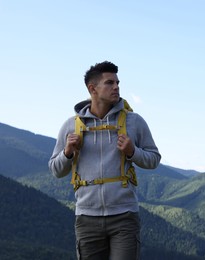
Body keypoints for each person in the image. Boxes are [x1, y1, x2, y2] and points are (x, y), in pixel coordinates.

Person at [48, 61, 161, 260]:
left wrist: (132, 151)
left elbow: (153, 159)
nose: (116, 87)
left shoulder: (134, 121)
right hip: (86, 218)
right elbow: (56, 170)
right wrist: (67, 152)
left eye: (117, 82)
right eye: (110, 83)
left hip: (124, 216)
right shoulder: (71, 126)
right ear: (93, 89)